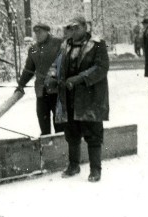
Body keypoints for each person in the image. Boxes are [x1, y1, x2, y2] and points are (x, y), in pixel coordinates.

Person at [46, 15, 110, 183]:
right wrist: (51, 77)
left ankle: (95, 169)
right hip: (69, 96)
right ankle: (73, 165)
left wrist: (80, 78)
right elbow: (56, 65)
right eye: (71, 28)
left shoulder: (97, 44)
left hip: (90, 97)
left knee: (93, 133)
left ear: (85, 27)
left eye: (77, 28)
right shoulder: (65, 45)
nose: (73, 31)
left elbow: (102, 67)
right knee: (71, 132)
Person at [15, 22, 64, 135]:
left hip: (57, 91)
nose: (37, 35)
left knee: (60, 127)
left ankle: (61, 149)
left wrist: (55, 76)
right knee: (43, 125)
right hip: (41, 92)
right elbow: (28, 70)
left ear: (47, 32)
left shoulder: (57, 43)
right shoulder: (33, 49)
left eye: (40, 32)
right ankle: (47, 148)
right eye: (36, 32)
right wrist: (21, 84)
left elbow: (65, 63)